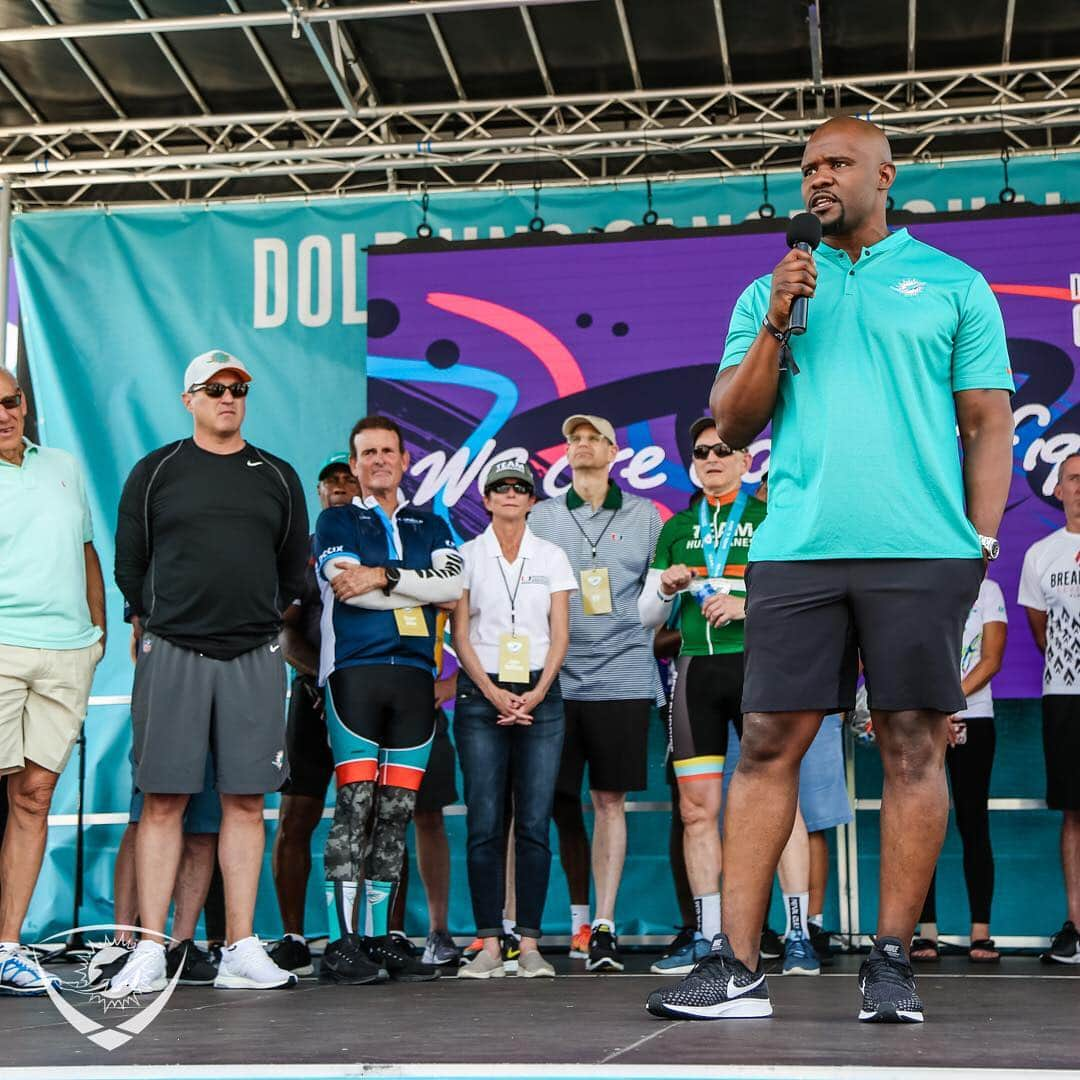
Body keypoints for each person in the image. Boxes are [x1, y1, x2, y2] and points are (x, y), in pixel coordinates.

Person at [649, 116, 1014, 1024]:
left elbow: (988, 423)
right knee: (768, 739)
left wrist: (979, 544)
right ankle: (734, 967)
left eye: (838, 163)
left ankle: (890, 960)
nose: (819, 176)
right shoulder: (769, 291)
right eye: (808, 165)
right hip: (798, 550)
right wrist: (778, 314)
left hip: (922, 552)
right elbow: (730, 424)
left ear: (884, 175)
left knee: (912, 744)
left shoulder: (954, 286)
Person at [110, 349, 309, 996]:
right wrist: (158, 621)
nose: (229, 397)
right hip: (173, 653)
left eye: (239, 387)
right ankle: (147, 948)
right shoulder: (156, 471)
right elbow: (130, 565)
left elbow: (292, 572)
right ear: (188, 399)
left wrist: (256, 619)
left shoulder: (276, 476)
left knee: (246, 802)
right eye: (215, 388)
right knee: (163, 801)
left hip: (254, 655)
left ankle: (240, 946)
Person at [314, 415, 463, 984]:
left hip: (414, 679)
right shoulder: (336, 518)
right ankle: (340, 941)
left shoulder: (431, 520)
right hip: (356, 672)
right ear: (354, 465)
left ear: (404, 461)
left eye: (388, 451)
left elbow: (451, 587)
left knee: (397, 811)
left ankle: (377, 938)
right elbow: (345, 583)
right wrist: (406, 581)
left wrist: (383, 574)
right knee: (354, 804)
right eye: (367, 453)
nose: (378, 460)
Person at [529, 414, 663, 971]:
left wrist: (634, 633)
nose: (581, 446)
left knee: (609, 801)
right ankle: (577, 919)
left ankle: (604, 925)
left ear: (613, 452)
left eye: (592, 439)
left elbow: (661, 594)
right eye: (573, 439)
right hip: (556, 678)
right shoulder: (539, 515)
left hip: (623, 676)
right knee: (552, 803)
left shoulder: (645, 515)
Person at [637, 418, 770, 973]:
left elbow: (803, 602)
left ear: (745, 461)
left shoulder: (771, 520)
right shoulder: (678, 528)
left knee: (772, 801)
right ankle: (709, 937)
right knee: (696, 811)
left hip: (759, 668)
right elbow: (645, 618)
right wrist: (665, 588)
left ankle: (790, 931)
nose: (712, 457)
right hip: (695, 672)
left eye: (724, 449)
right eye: (701, 452)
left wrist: (747, 605)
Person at [0, 368, 106, 995]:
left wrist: (94, 634)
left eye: (10, 401)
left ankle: (6, 945)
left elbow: (87, 549)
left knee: (35, 796)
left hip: (67, 656)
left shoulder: (63, 463)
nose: (3, 413)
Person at [452, 459, 576, 979]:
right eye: (499, 487)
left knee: (532, 823)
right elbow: (458, 636)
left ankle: (527, 942)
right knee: (483, 822)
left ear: (531, 501)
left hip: (540, 695)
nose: (509, 494)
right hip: (482, 694)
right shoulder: (464, 556)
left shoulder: (551, 555)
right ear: (486, 500)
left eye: (519, 488)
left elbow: (561, 634)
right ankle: (486, 942)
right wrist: (494, 692)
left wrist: (535, 692)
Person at [269, 453, 359, 976]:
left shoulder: (379, 541)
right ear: (320, 492)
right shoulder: (300, 554)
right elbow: (282, 634)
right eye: (332, 481)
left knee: (373, 820)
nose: (342, 487)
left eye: (349, 479)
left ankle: (370, 936)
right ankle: (293, 936)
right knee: (296, 818)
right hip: (311, 699)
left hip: (369, 701)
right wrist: (319, 678)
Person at [911, 576, 1007, 963]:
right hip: (927, 717)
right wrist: (935, 707)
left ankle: (981, 932)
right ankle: (925, 932)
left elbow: (992, 659)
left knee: (972, 820)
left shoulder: (989, 591)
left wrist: (951, 701)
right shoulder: (922, 586)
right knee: (921, 821)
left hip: (974, 717)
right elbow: (912, 654)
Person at [1018, 451, 1080, 965]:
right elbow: (1041, 632)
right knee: (1074, 811)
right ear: (1058, 490)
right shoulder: (1041, 554)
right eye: (1074, 478)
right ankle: (1076, 926)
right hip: (1064, 695)